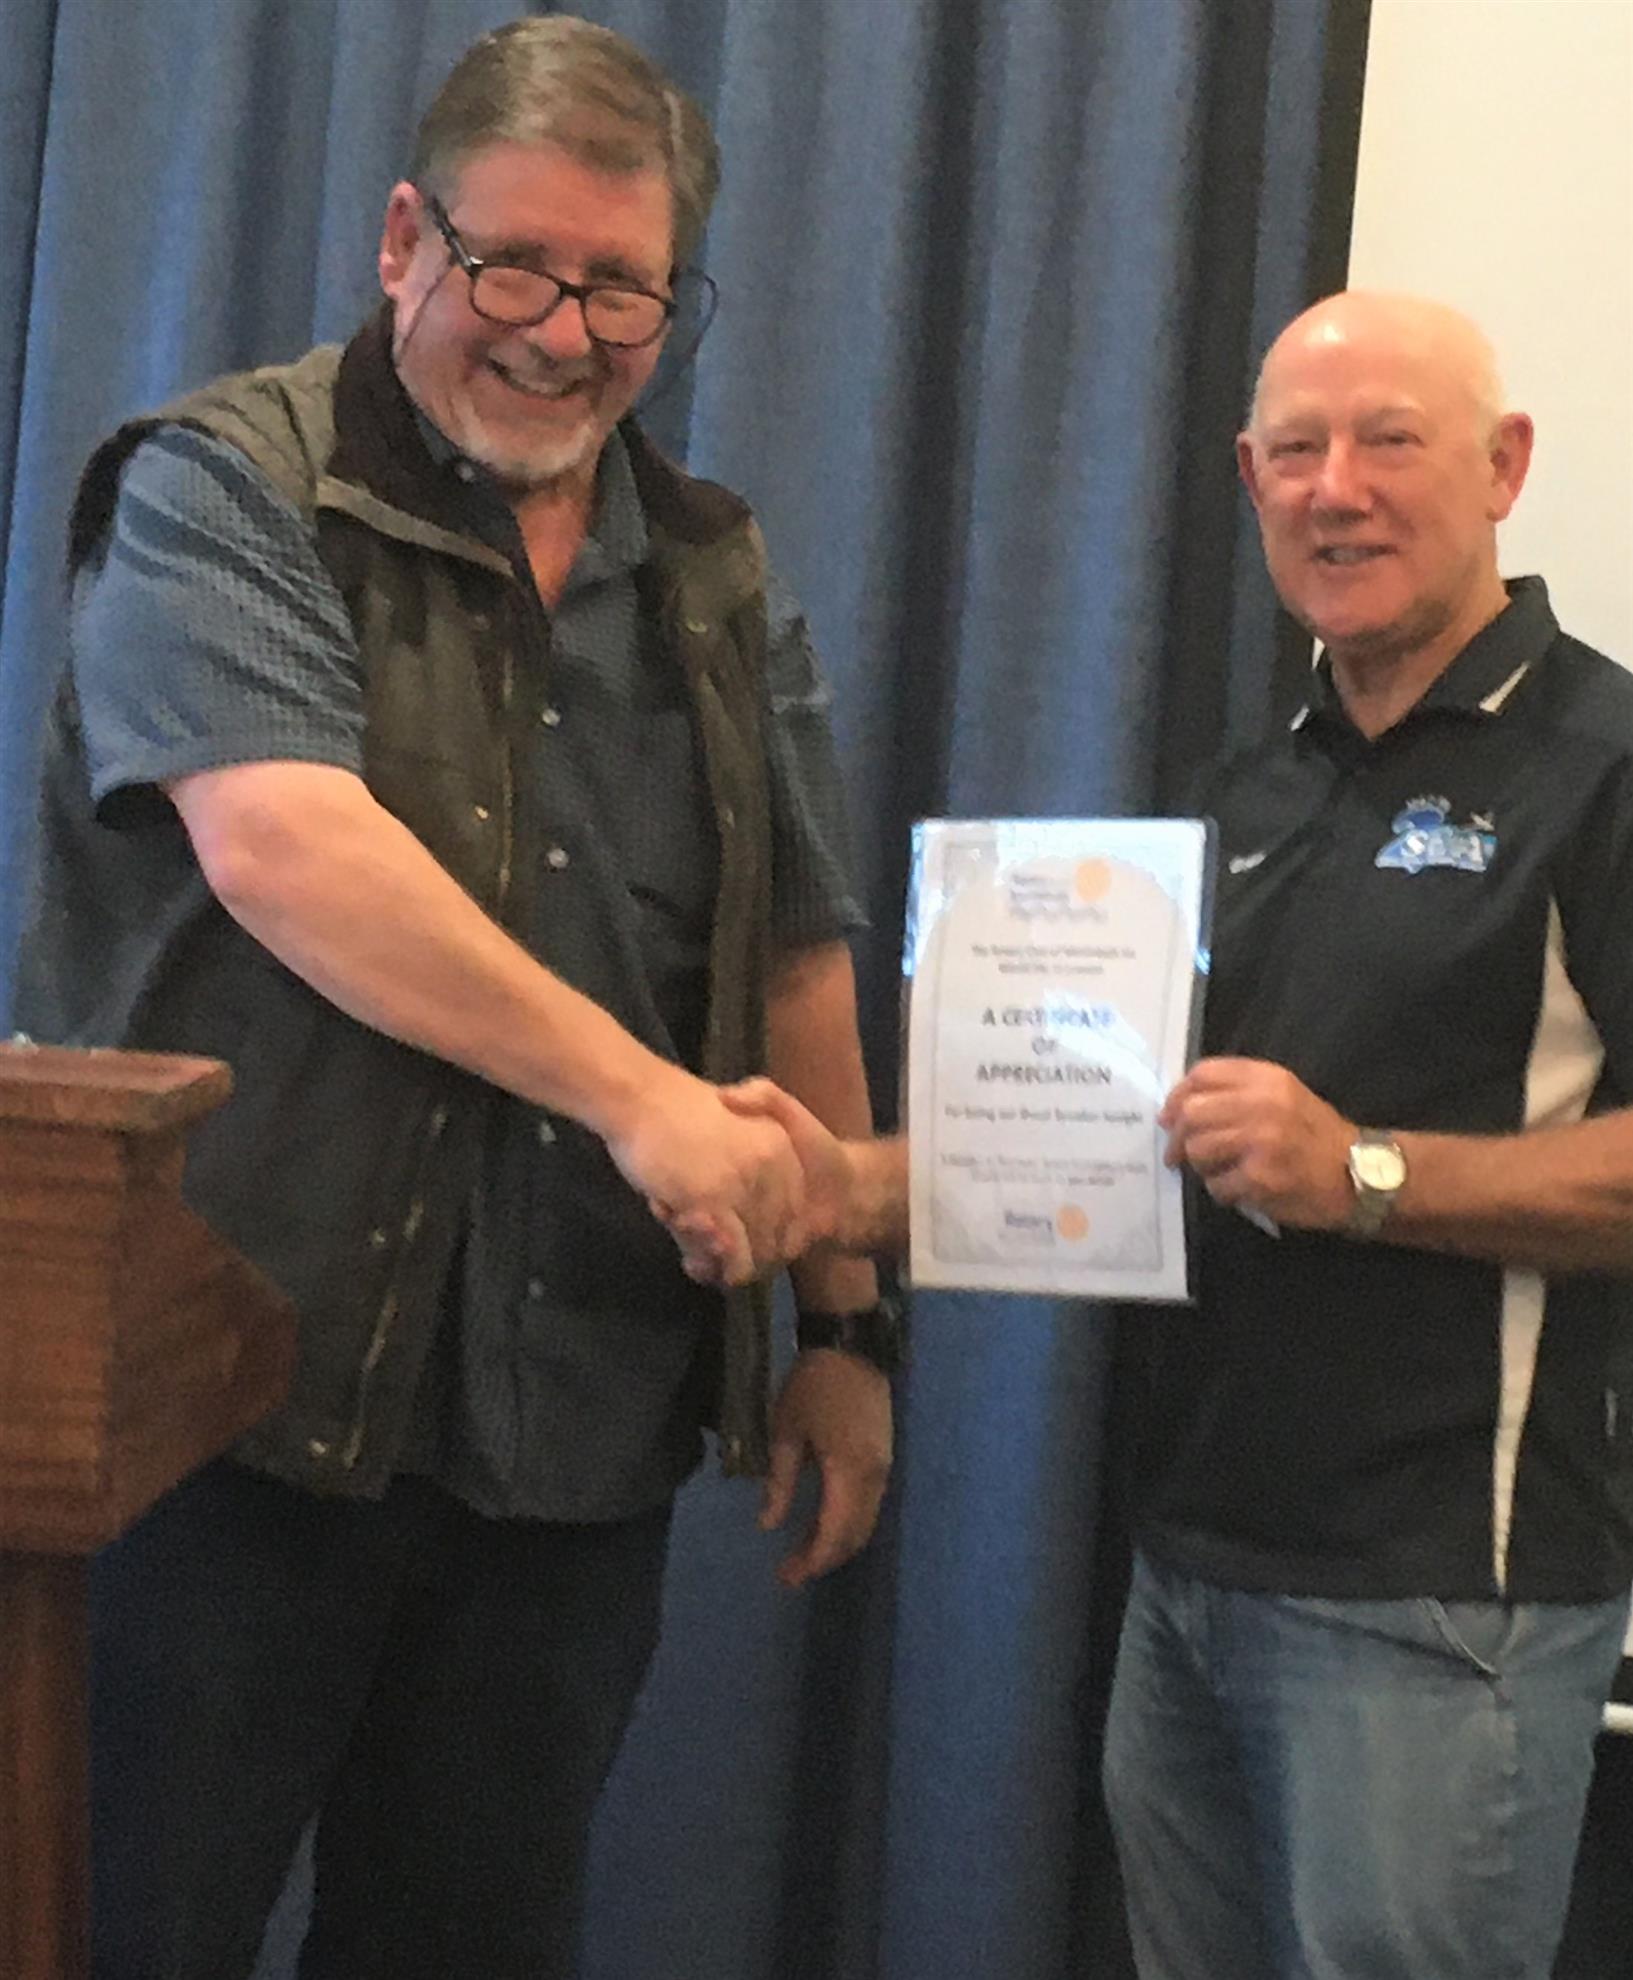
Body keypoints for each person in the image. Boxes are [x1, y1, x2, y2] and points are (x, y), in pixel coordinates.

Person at [17, 17, 900, 1979]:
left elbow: (792, 950)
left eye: (621, 288)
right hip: (212, 1414)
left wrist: (846, 1323)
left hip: (560, 1440)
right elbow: (289, 851)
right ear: (405, 238)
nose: (561, 334)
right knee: (124, 1933)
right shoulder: (223, 489)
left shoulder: (715, 575)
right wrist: (644, 1103)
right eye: (513, 267)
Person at [710, 291, 1633, 1979]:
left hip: (1443, 1599)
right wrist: (837, 1188)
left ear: (1503, 467)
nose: (1334, 488)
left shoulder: (1607, 767)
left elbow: (1333, 1165)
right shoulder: (1243, 797)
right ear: (1246, 478)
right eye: (1294, 451)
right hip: (1191, 1576)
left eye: (1388, 442)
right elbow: (1104, 1137)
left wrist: (1364, 1176)